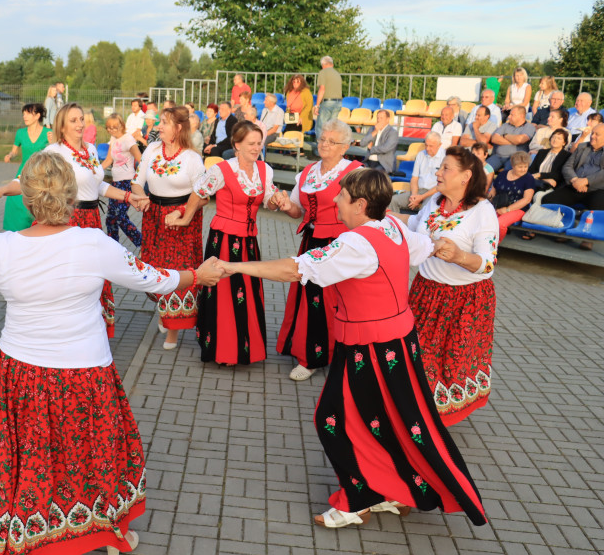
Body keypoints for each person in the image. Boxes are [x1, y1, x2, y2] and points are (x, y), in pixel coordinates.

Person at [0, 150, 224, 555]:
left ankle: (33, 543)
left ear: (29, 199)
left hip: (23, 370)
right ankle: (99, 524)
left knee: (36, 455)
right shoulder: (93, 244)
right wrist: (197, 276)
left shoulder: (3, 247)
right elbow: (157, 278)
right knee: (95, 448)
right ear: (71, 196)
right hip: (85, 370)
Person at [220, 168, 487, 529]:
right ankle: (393, 489)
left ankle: (357, 499)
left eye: (342, 197)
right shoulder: (391, 226)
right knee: (388, 420)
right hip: (397, 342)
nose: (335, 200)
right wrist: (444, 246)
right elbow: (424, 246)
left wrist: (230, 266)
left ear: (360, 205)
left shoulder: (357, 244)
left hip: (371, 349)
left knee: (333, 420)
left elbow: (294, 270)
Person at [0, 102, 150, 337]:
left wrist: (127, 196)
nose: (80, 124)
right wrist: (0, 191)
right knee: (70, 280)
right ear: (62, 127)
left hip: (92, 221)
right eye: (73, 120)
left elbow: (97, 185)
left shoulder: (91, 150)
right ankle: (64, 333)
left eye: (81, 119)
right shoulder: (54, 152)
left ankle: (91, 331)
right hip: (67, 220)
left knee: (93, 277)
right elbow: (25, 180)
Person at [397, 146, 498, 424]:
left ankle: (430, 422)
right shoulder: (436, 202)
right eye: (439, 167)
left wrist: (459, 256)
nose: (438, 172)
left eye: (445, 168)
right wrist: (383, 216)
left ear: (466, 176)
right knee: (417, 354)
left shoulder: (482, 211)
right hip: (426, 292)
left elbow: (488, 264)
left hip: (464, 300)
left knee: (448, 363)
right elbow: (416, 224)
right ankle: (416, 416)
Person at [165, 121, 274, 366]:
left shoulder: (265, 170)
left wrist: (279, 201)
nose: (256, 148)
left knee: (247, 293)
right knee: (224, 292)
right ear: (236, 145)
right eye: (251, 143)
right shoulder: (222, 170)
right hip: (224, 241)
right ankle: (223, 351)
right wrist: (187, 217)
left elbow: (268, 198)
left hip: (249, 242)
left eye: (259, 143)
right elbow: (199, 192)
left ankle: (246, 348)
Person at [271, 120, 361, 380]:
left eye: (331, 141)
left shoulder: (354, 172)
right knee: (312, 299)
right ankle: (311, 355)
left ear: (344, 147)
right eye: (322, 139)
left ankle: (342, 354)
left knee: (341, 299)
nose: (323, 144)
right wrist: (287, 206)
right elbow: (299, 210)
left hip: (341, 243)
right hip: (312, 240)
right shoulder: (308, 171)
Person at [132, 107, 206, 349]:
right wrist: (141, 197)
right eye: (160, 122)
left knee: (177, 272)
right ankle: (165, 309)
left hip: (181, 221)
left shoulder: (192, 159)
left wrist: (182, 212)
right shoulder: (152, 150)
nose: (159, 126)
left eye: (164, 122)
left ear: (179, 128)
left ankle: (172, 329)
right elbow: (136, 183)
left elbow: (203, 197)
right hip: (154, 218)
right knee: (153, 268)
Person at [543, 123, 604, 249]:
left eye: (597, 134)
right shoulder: (582, 147)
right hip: (574, 185)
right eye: (592, 133)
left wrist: (586, 181)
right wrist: (575, 180)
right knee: (548, 200)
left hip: (597, 189)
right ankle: (564, 227)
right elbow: (567, 166)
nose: (592, 136)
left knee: (598, 206)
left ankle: (588, 237)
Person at [3, 103, 52, 231]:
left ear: (37, 115)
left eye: (28, 113)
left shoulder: (49, 133)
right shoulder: (20, 133)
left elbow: (56, 152)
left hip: (42, 171)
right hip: (24, 171)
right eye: (23, 113)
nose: (24, 116)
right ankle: (18, 231)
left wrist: (53, 143)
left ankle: (40, 229)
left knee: (40, 201)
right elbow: (14, 151)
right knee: (15, 199)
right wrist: (9, 155)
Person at [101, 113, 143, 248]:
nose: (112, 130)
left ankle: (141, 243)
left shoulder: (128, 139)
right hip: (115, 183)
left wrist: (138, 180)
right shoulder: (113, 139)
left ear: (122, 125)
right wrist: (94, 170)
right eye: (109, 128)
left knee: (120, 216)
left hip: (126, 182)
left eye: (115, 127)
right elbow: (108, 160)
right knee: (110, 218)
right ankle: (113, 247)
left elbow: (140, 159)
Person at [389, 132, 445, 214]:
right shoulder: (420, 154)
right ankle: (394, 225)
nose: (427, 148)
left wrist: (421, 197)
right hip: (419, 190)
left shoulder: (445, 157)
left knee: (424, 209)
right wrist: (414, 195)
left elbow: (442, 185)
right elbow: (414, 178)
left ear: (439, 145)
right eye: (426, 145)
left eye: (431, 146)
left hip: (435, 192)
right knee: (393, 201)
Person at [488, 152, 538, 239]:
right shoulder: (502, 174)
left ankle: (494, 248)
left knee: (500, 224)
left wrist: (507, 209)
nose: (523, 169)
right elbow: (493, 191)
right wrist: (487, 204)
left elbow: (527, 199)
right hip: (499, 205)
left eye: (525, 166)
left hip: (518, 209)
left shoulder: (529, 178)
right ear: (513, 165)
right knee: (485, 222)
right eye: (520, 167)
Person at [486, 106, 535, 172]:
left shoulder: (529, 127)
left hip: (515, 158)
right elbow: (494, 139)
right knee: (483, 170)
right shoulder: (505, 125)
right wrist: (514, 141)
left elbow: (520, 140)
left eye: (512, 115)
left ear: (521, 116)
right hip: (498, 156)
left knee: (508, 175)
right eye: (509, 114)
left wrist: (505, 135)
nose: (508, 116)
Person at [313, 55, 343, 136]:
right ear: (332, 64)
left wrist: (317, 105)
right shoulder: (337, 74)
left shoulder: (323, 72)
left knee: (321, 127)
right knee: (331, 128)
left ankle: (321, 147)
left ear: (323, 64)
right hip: (338, 103)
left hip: (327, 103)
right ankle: (330, 147)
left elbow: (322, 89)